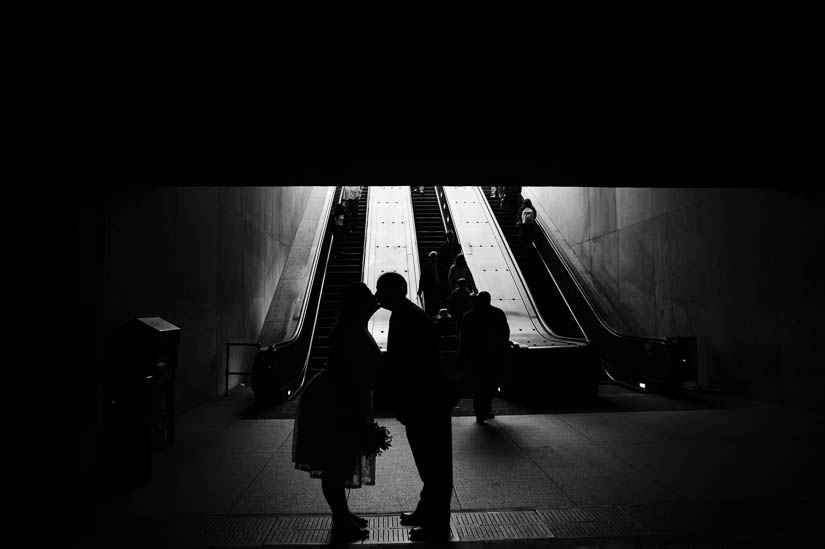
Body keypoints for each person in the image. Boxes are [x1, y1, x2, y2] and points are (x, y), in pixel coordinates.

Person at [292, 282, 380, 543]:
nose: (374, 302)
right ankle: (341, 520)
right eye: (368, 299)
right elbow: (355, 374)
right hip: (338, 402)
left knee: (338, 461)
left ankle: (342, 514)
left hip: (334, 397)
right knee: (336, 462)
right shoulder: (353, 332)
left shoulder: (350, 328)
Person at [375, 272, 457, 542]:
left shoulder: (408, 317)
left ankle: (437, 525)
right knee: (431, 463)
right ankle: (427, 511)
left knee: (433, 465)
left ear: (393, 292)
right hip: (427, 401)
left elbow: (412, 366)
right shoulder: (407, 314)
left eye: (380, 289)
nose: (377, 294)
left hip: (426, 402)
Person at [457, 291, 510, 424]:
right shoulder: (497, 313)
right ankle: (486, 409)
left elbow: (464, 337)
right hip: (492, 355)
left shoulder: (469, 315)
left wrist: (460, 354)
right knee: (490, 384)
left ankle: (479, 412)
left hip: (475, 356)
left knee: (478, 385)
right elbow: (505, 333)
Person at [417, 251, 449, 317]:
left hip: (439, 288)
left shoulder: (441, 267)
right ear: (430, 258)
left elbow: (445, 279)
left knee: (438, 304)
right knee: (431, 305)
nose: (434, 259)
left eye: (435, 257)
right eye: (432, 257)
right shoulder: (426, 267)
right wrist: (420, 290)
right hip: (430, 289)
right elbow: (422, 279)